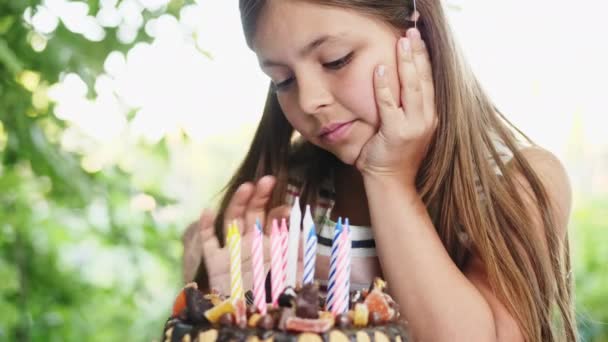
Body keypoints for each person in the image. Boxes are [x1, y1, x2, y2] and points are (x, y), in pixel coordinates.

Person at [181, 1, 577, 341]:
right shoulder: (285, 197)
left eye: (337, 59)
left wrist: (388, 179)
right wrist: (238, 310)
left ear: (418, 33)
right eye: (282, 81)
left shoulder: (517, 185)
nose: (310, 99)